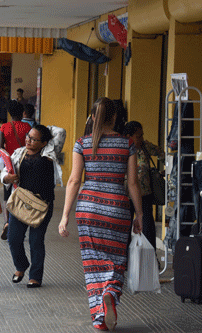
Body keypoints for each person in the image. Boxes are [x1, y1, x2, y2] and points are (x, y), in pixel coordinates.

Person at [58, 97, 143, 331]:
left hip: (88, 208)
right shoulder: (127, 144)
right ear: (115, 117)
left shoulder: (82, 143)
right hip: (116, 208)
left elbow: (74, 180)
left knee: (93, 263)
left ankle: (99, 318)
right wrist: (140, 215)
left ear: (93, 117)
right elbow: (133, 184)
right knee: (116, 260)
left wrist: (64, 215)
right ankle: (110, 291)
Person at [1, 125, 55, 288]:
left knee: (36, 240)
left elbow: (60, 132)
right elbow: (5, 170)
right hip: (21, 202)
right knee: (13, 238)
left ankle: (35, 277)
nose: (28, 140)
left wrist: (46, 128)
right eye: (27, 136)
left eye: (33, 139)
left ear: (44, 142)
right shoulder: (19, 152)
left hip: (42, 204)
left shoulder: (50, 154)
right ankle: (21, 266)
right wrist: (7, 178)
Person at [123, 121, 165, 250]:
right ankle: (126, 259)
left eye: (142, 135)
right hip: (127, 195)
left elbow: (161, 153)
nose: (141, 139)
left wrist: (165, 170)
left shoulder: (145, 147)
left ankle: (150, 256)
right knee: (126, 228)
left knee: (148, 227)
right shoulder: (122, 149)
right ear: (129, 136)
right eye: (138, 136)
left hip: (144, 194)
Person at [0, 100, 32, 240]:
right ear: (22, 112)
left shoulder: (4, 127)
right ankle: (20, 223)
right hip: (25, 164)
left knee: (7, 195)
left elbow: (0, 146)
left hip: (10, 166)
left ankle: (7, 222)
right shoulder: (28, 127)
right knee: (23, 194)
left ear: (9, 113)